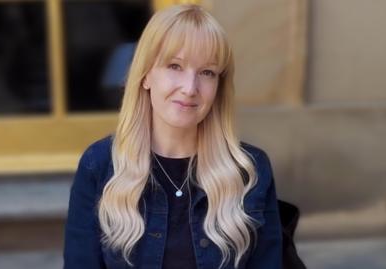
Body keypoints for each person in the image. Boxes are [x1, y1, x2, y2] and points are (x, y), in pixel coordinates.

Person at [63, 4, 282, 269]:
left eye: (207, 72)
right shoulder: (98, 165)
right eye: (175, 66)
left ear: (218, 87)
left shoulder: (250, 169)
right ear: (145, 76)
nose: (190, 88)